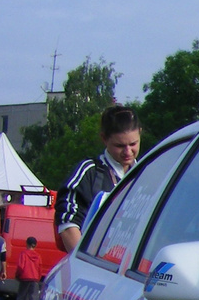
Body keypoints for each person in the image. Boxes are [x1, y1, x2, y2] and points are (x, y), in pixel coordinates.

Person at [55, 105, 141, 252]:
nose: (128, 151)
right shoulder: (89, 172)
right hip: (96, 265)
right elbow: (67, 224)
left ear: (140, 133)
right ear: (104, 139)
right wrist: (85, 266)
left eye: (133, 144)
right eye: (119, 145)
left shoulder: (148, 173)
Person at [13, 236, 42, 300]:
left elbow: (21, 266)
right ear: (35, 245)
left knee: (21, 296)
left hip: (25, 277)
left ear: (27, 244)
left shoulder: (24, 254)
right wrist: (38, 277)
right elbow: (39, 268)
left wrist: (18, 275)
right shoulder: (38, 256)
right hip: (34, 277)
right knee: (32, 297)